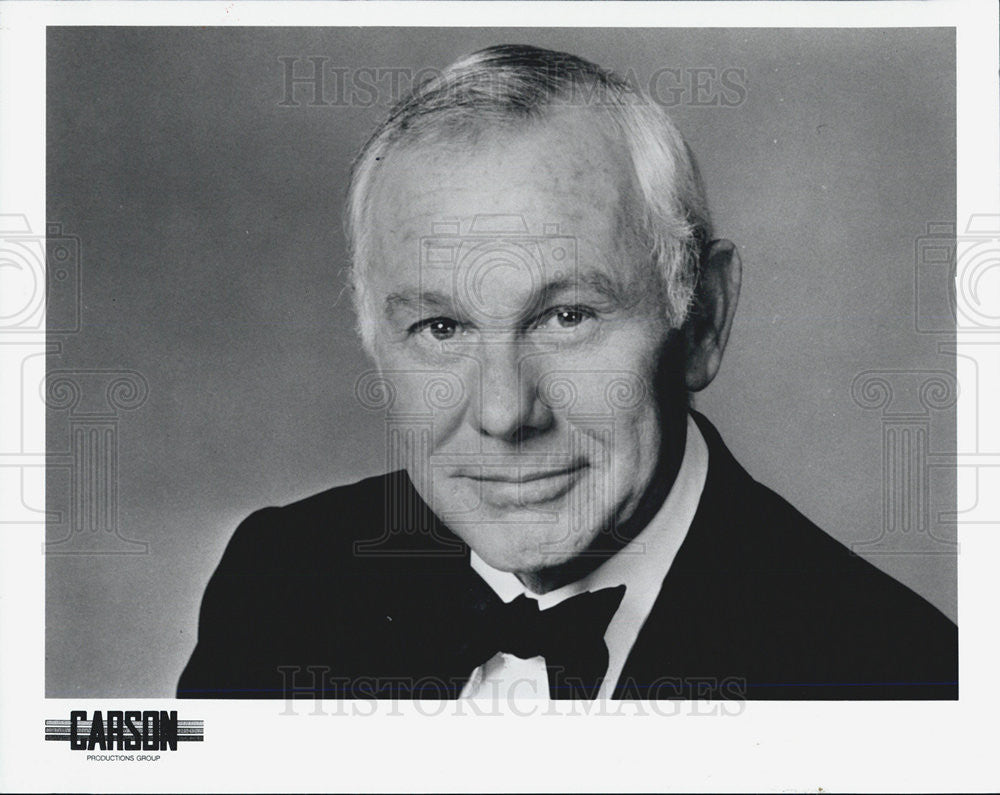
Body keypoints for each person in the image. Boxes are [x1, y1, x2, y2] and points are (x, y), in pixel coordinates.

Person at [178, 44, 957, 701]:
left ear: (704, 318)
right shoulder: (277, 584)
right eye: (441, 326)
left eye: (568, 316)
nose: (504, 412)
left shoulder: (901, 676)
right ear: (375, 338)